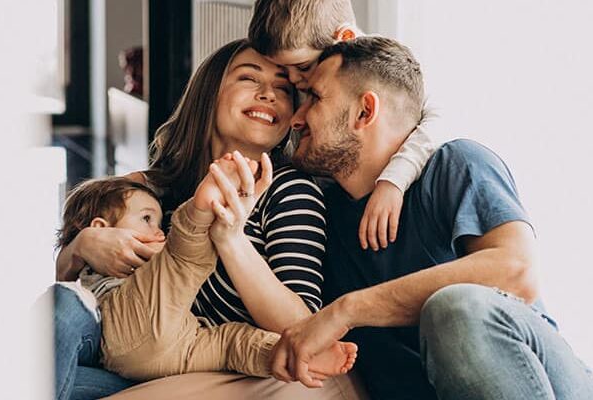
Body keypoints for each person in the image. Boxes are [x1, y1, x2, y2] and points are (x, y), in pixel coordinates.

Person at [268, 36, 593, 400]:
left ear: (365, 112)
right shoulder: (316, 215)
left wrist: (347, 310)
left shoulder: (453, 166)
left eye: (314, 98)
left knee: (454, 309)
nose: (295, 118)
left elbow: (516, 270)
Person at [53, 38, 364, 400]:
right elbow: (74, 289)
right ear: (210, 92)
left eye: (282, 88)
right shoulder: (153, 188)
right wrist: (80, 246)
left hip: (210, 368)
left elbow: (301, 323)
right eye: (250, 79)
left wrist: (230, 238)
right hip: (124, 358)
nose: (268, 94)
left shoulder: (289, 189)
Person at [55, 167, 357, 382]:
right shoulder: (159, 186)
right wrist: (81, 246)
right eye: (147, 219)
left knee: (233, 344)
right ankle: (199, 213)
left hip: (182, 340)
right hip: (121, 334)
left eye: (159, 221)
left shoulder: (291, 190)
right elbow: (67, 292)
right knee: (183, 257)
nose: (158, 230)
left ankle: (292, 356)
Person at [248, 0, 447, 253]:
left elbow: (436, 120)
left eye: (302, 67)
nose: (294, 80)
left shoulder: (382, 69)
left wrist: (393, 181)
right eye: (284, 71)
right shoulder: (303, 69)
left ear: (346, 37)